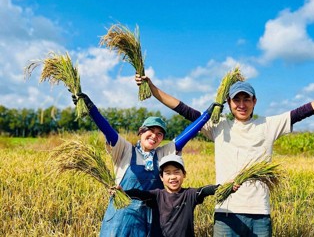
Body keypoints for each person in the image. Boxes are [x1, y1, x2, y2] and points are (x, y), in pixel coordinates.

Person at [136, 74, 314, 236]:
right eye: (237, 100)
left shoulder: (269, 124)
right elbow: (183, 109)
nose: (242, 104)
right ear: (229, 103)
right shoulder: (218, 125)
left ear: (255, 101)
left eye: (247, 99)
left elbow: (307, 109)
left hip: (259, 213)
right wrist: (152, 88)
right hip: (226, 213)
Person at [72, 92, 221, 237]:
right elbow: (107, 129)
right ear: (141, 132)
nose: (154, 136)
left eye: (159, 133)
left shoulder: (163, 153)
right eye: (150, 130)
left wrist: (207, 114)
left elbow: (187, 134)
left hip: (152, 219)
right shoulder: (124, 150)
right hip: (122, 218)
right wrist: (91, 108)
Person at [112, 154, 239, 237]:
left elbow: (204, 190)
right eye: (167, 173)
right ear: (161, 177)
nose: (173, 177)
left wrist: (223, 188)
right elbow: (140, 194)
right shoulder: (157, 195)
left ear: (184, 174)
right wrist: (123, 192)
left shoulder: (190, 194)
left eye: (176, 172)